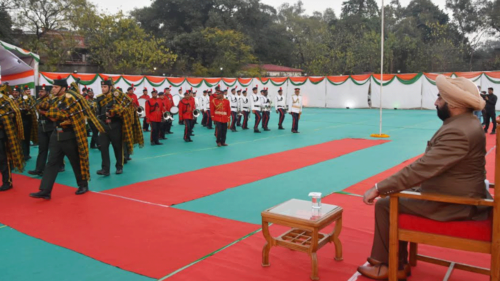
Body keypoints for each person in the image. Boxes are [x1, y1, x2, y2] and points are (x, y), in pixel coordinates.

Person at [358, 75, 491, 280]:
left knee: (385, 204)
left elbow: (421, 169)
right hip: (458, 192)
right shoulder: (467, 122)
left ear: (453, 103)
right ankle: (396, 262)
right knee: (398, 195)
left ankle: (387, 264)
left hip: (454, 203)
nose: (436, 102)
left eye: (440, 98)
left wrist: (378, 187)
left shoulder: (459, 131)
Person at [30, 77, 103, 199]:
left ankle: (83, 185)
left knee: (76, 162)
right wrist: (47, 112)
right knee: (51, 162)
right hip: (56, 134)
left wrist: (46, 113)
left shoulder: (70, 99)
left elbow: (57, 116)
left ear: (63, 88)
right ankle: (45, 190)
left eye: (56, 87)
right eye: (53, 87)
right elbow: (46, 110)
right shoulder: (55, 99)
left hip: (69, 136)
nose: (53, 89)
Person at [28, 84, 65, 176]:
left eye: (42, 91)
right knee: (42, 149)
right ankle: (39, 169)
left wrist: (42, 109)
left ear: (47, 92)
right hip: (41, 126)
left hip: (51, 126)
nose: (40, 93)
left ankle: (60, 165)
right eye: (39, 91)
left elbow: (48, 107)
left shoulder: (52, 100)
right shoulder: (38, 101)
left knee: (55, 148)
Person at [95, 79, 127, 176]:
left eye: (105, 87)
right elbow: (98, 112)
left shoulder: (116, 97)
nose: (103, 89)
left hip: (115, 126)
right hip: (104, 126)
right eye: (102, 87)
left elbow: (123, 111)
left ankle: (119, 167)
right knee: (103, 148)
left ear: (110, 87)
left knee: (117, 147)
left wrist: (114, 114)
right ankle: (105, 169)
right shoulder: (99, 98)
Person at [0, 87, 25, 191]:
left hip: (2, 133)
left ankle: (7, 181)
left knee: (3, 159)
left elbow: (14, 115)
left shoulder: (6, 101)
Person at [13, 86, 38, 160]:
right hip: (15, 122)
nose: (14, 94)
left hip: (25, 121)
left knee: (25, 138)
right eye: (14, 92)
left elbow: (27, 108)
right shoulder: (10, 100)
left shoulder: (25, 99)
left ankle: (25, 154)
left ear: (20, 93)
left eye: (16, 92)